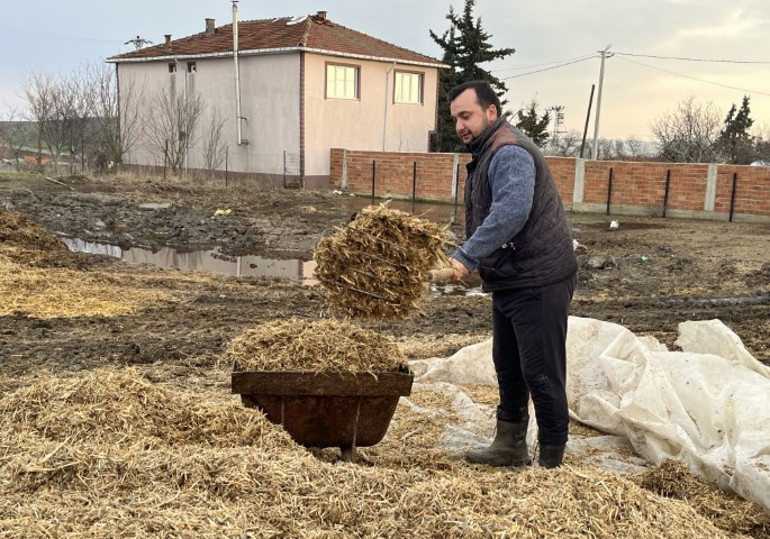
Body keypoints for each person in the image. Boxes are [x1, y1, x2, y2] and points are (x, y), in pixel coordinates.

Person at [446, 80, 578, 469]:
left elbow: (510, 212)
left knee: (541, 372)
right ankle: (510, 445)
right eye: (455, 118)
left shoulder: (508, 152)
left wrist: (466, 257)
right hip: (512, 276)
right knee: (507, 363)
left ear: (490, 112)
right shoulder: (488, 150)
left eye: (466, 115)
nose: (459, 126)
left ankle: (552, 462)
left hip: (538, 277)